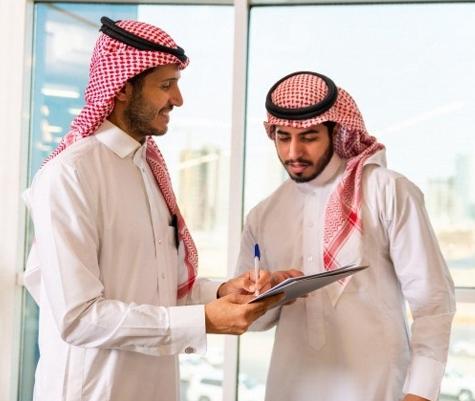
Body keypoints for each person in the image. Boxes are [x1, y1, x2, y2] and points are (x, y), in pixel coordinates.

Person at [23, 16, 280, 401]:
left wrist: (223, 291)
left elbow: (163, 291)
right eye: (165, 85)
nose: (178, 99)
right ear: (123, 88)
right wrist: (204, 320)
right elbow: (78, 318)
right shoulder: (70, 175)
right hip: (93, 391)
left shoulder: (150, 169)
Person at [234, 71, 456, 401]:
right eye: (283, 138)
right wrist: (262, 295)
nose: (293, 152)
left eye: (309, 137)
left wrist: (420, 393)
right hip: (289, 388)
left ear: (336, 131)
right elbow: (253, 322)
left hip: (379, 389)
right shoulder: (263, 215)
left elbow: (433, 304)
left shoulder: (387, 191)